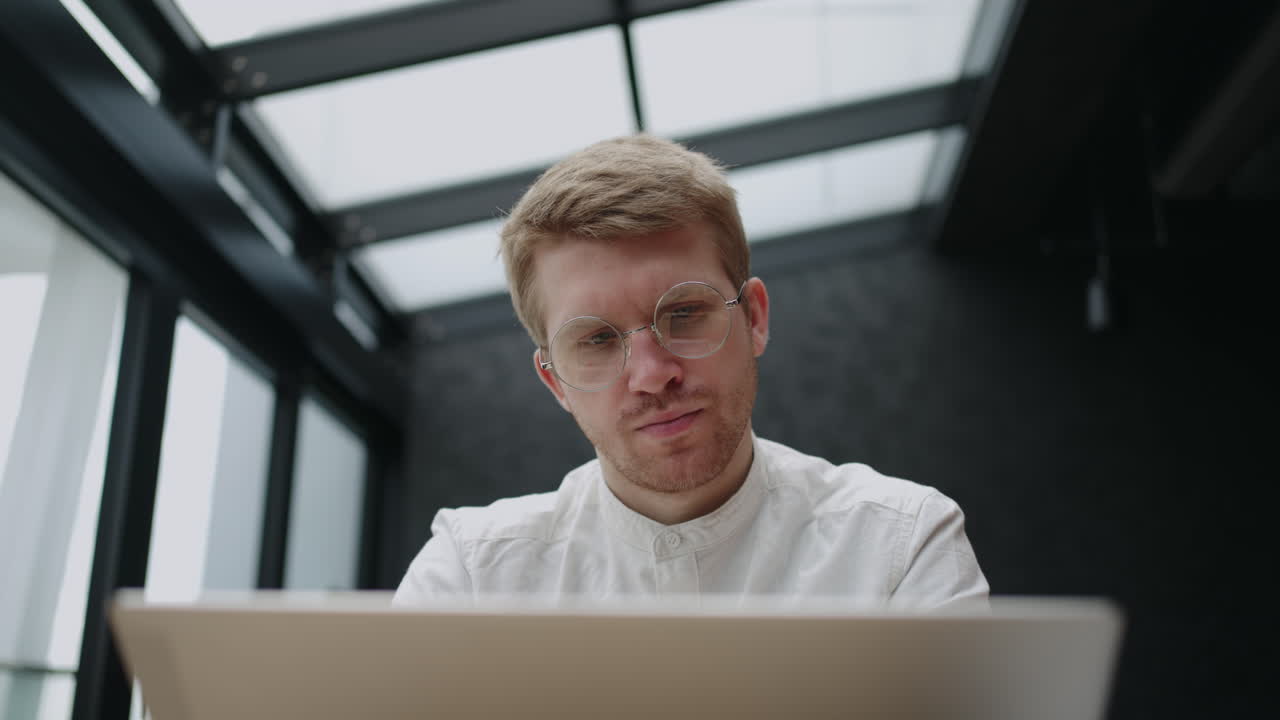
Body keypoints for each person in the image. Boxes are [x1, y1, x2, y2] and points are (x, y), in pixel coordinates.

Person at [394, 135, 987, 607]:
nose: (652, 374)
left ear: (753, 317)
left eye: (683, 313)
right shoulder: (470, 577)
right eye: (597, 339)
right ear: (556, 383)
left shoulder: (899, 545)